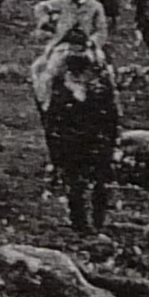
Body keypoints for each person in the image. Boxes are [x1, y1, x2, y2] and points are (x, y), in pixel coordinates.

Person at [31, 27, 120, 235]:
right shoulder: (59, 77)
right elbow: (52, 116)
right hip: (77, 139)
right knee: (78, 181)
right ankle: (81, 221)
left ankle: (97, 219)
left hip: (94, 137)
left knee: (98, 181)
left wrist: (111, 136)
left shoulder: (100, 80)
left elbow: (112, 111)